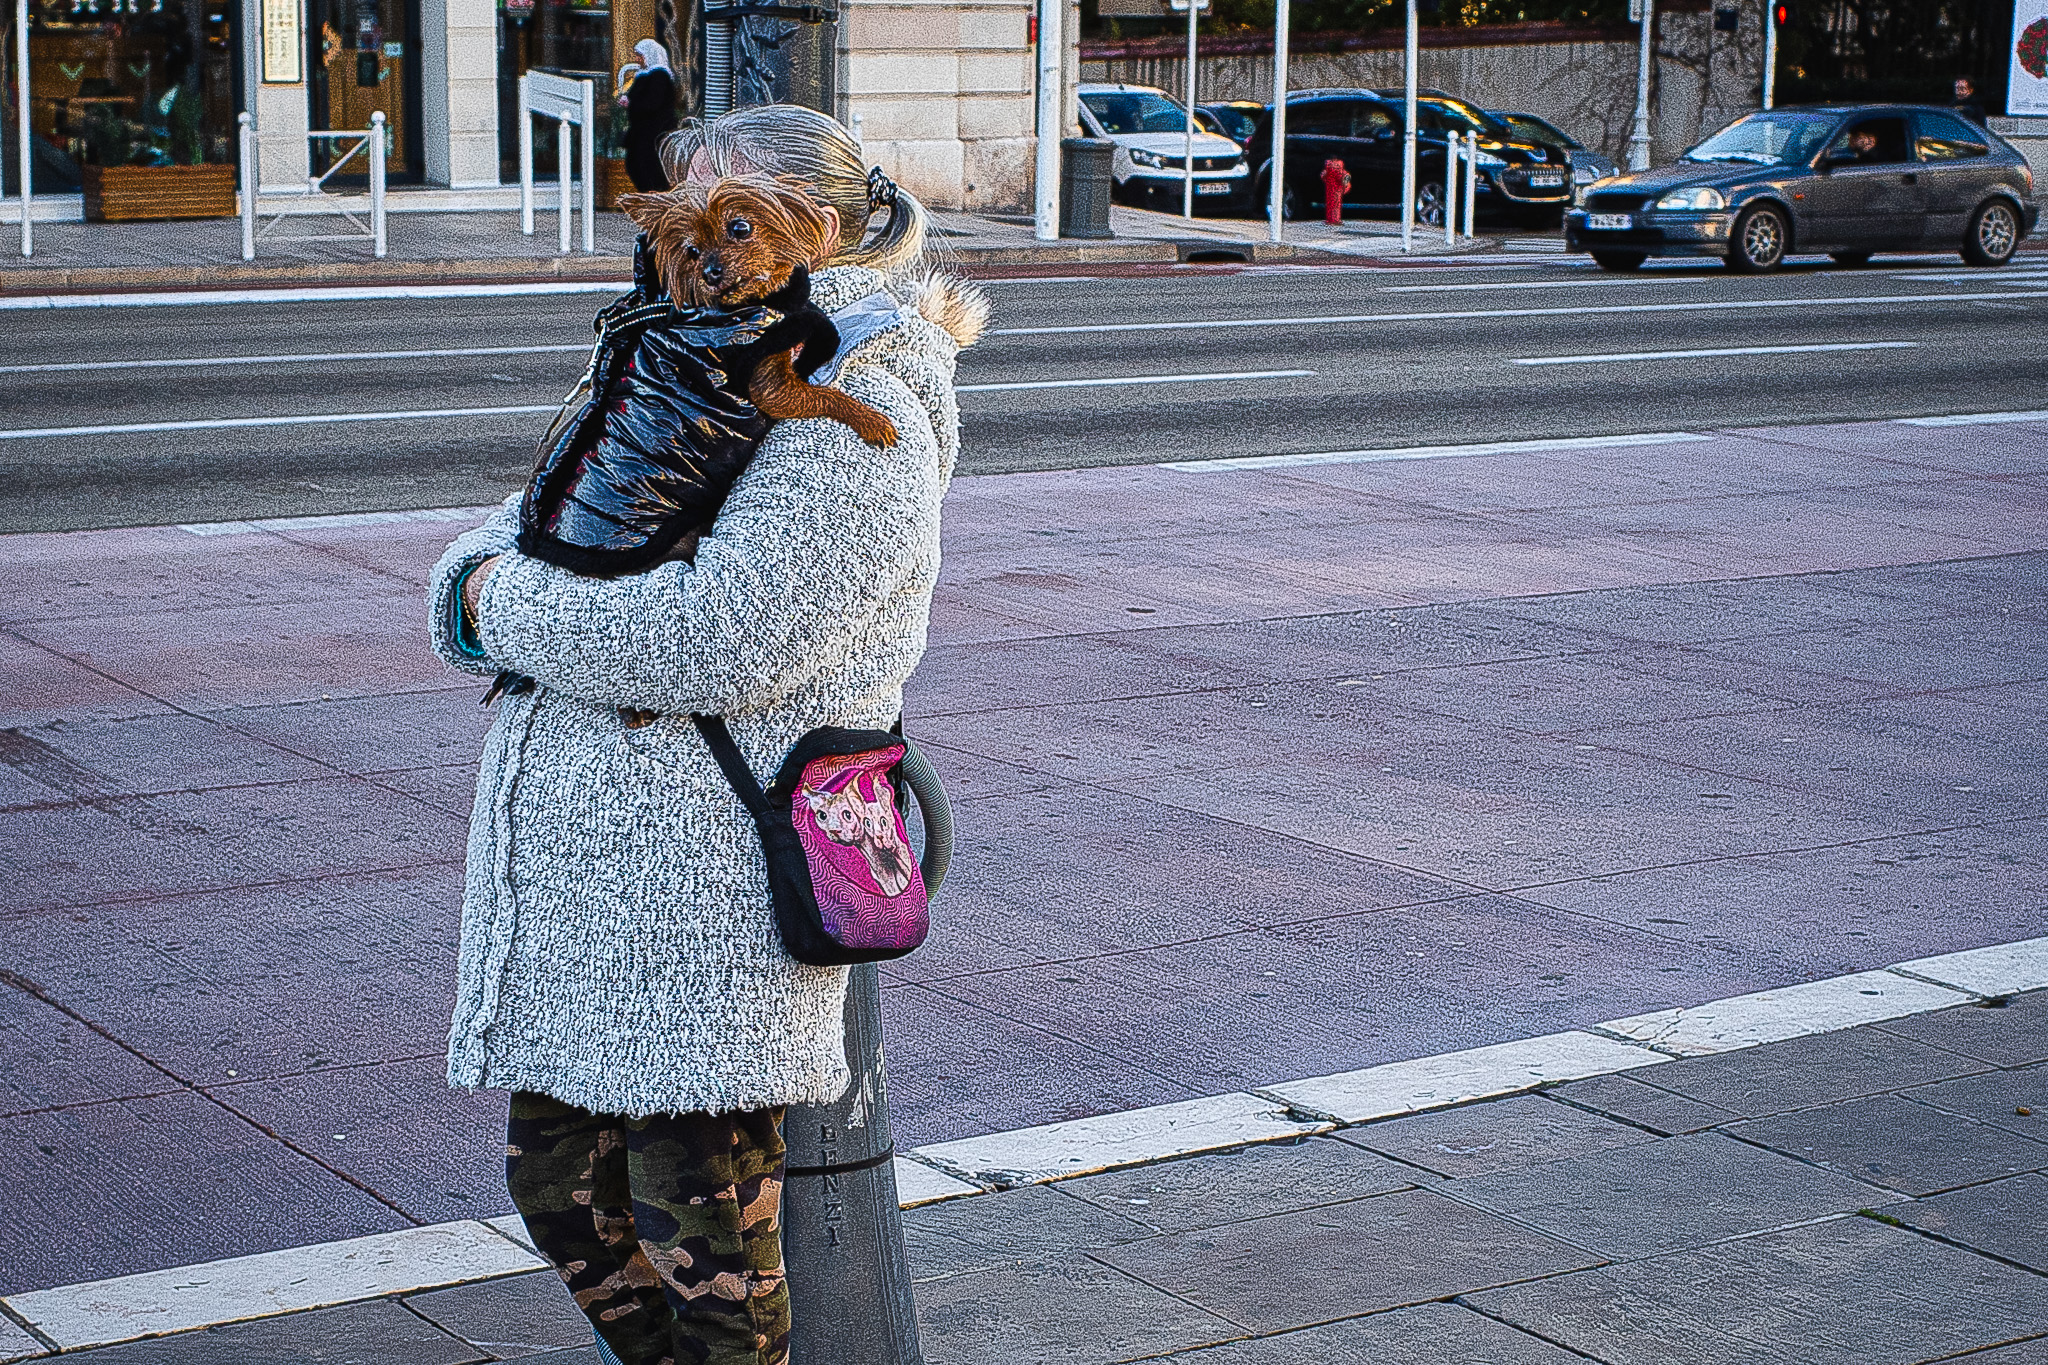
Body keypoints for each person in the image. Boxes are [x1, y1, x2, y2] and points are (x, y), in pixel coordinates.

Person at [426, 104, 985, 1365]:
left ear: (815, 227)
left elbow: (714, 639)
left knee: (709, 1245)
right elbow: (537, 513)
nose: (690, 236)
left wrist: (490, 604)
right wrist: (483, 583)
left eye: (725, 211)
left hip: (709, 887)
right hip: (593, 881)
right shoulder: (682, 348)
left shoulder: (855, 399)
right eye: (679, 209)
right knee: (560, 1192)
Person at [620, 38, 678, 190]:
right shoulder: (643, 75)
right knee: (635, 164)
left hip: (654, 130)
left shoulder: (659, 75)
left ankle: (655, 193)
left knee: (648, 164)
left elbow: (653, 103)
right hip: (641, 129)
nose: (637, 59)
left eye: (640, 55)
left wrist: (632, 104)